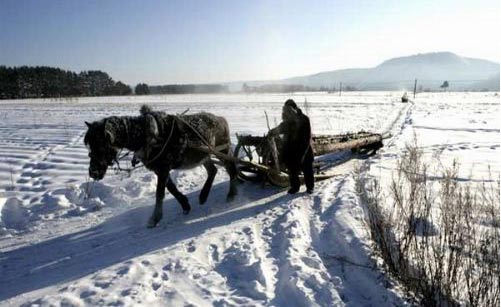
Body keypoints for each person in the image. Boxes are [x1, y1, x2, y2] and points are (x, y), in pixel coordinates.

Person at [269, 99, 314, 194]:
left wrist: (302, 154)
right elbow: (281, 128)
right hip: (291, 149)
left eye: (288, 109)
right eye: (285, 110)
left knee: (307, 169)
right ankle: (295, 187)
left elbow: (307, 138)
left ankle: (310, 187)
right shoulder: (288, 120)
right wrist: (272, 132)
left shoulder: (304, 119)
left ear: (294, 108)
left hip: (303, 148)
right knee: (292, 170)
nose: (286, 112)